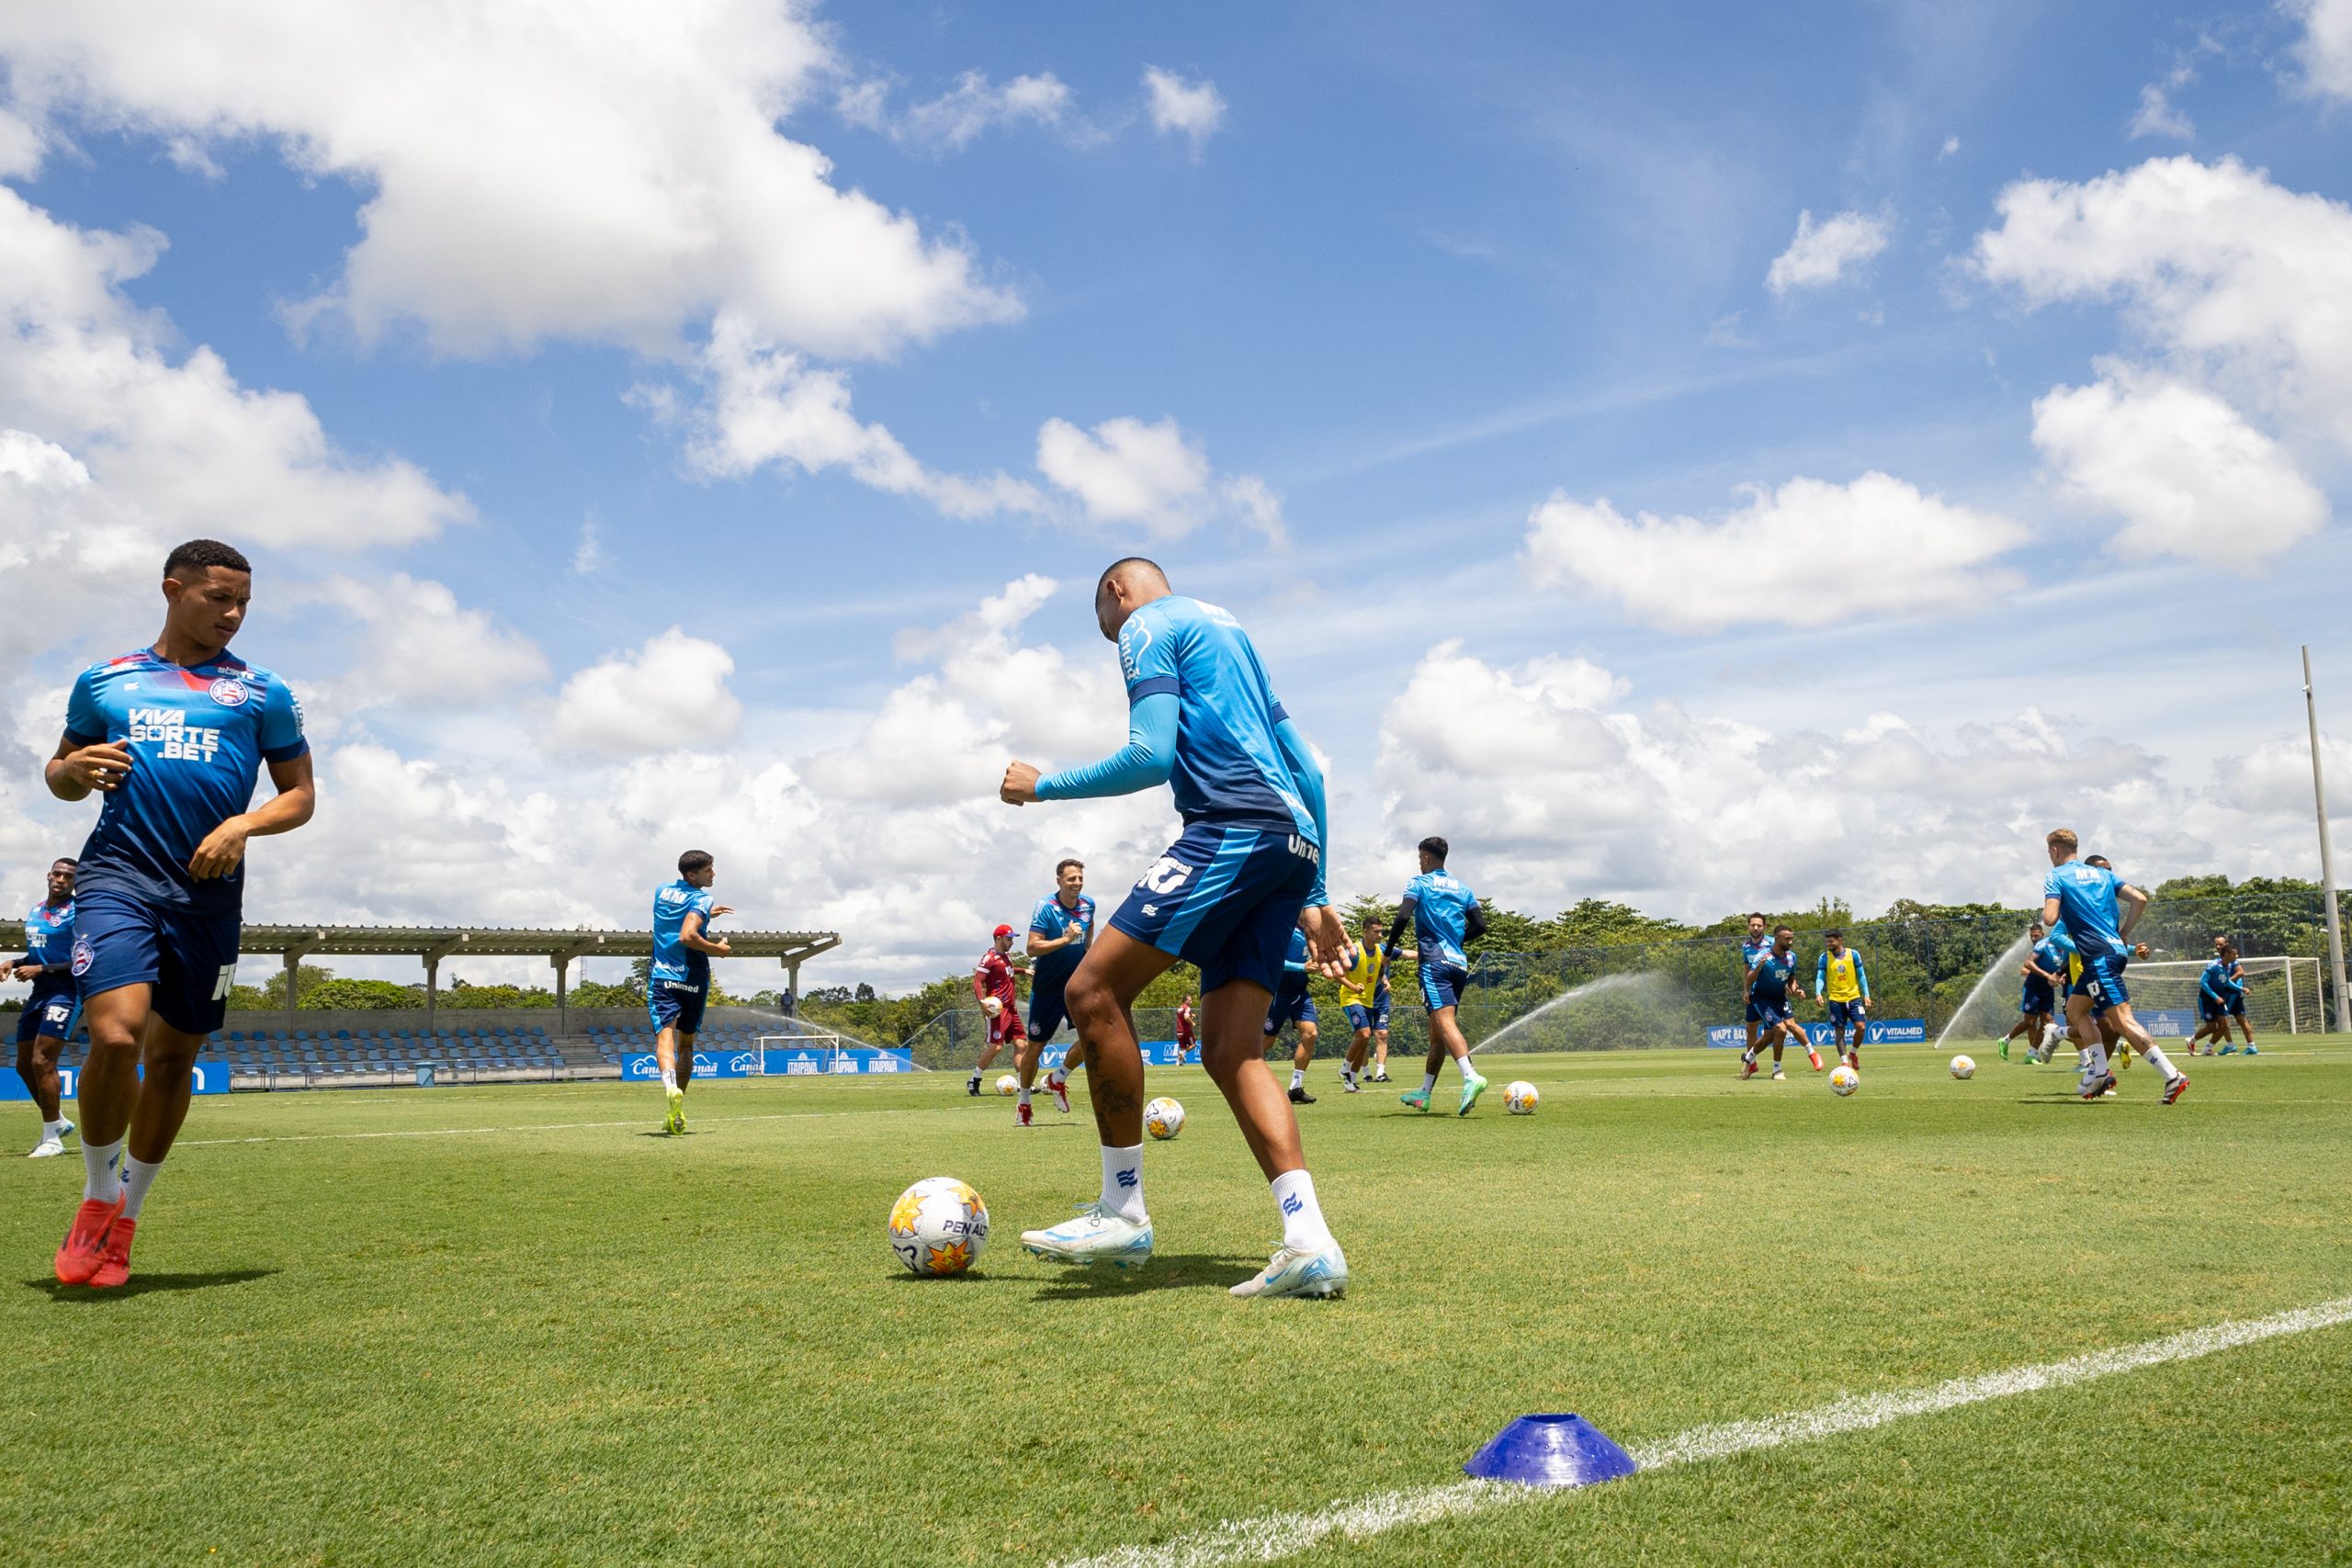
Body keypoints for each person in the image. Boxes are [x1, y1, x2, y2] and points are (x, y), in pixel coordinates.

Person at [998, 558, 1351, 1299]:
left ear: (1116, 594)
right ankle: (1309, 1240)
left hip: (1232, 825)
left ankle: (1121, 1209)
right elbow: (1309, 771)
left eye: (1105, 624)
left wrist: (1043, 787)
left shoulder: (1147, 623)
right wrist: (1315, 891)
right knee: (1232, 1050)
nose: (1113, 638)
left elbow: (1150, 754)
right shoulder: (1232, 630)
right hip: (1290, 843)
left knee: (1092, 987)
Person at [49, 539, 315, 1289]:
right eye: (217, 599)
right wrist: (72, 769)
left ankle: (129, 1216)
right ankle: (98, 1195)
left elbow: (300, 796)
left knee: (172, 1060)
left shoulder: (262, 693)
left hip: (208, 897)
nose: (233, 615)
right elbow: (61, 775)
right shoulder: (106, 681)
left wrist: (242, 826)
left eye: (243, 604)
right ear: (173, 589)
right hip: (117, 876)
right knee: (116, 1031)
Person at [2041, 831, 2187, 1104]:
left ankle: (2172, 1076)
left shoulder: (2057, 876)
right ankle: (2099, 1072)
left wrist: (2054, 904)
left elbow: (2050, 919)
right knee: (2074, 1010)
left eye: (2049, 853)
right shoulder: (2104, 875)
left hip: (2098, 957)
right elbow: (2139, 899)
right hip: (2112, 953)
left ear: (2054, 851)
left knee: (2122, 1021)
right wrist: (2124, 933)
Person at [1387, 837, 1488, 1116]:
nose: (1419, 863)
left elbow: (1403, 916)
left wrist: (1387, 950)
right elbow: (1481, 925)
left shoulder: (1418, 883)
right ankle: (1425, 1093)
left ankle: (1471, 1077)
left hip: (1434, 963)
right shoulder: (1463, 888)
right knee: (1437, 1035)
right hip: (1458, 965)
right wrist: (1458, 940)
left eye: (1420, 858)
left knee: (1444, 1024)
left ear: (1427, 858)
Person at [649, 851, 730, 1135]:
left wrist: (710, 912)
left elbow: (675, 918)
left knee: (664, 1038)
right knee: (686, 1046)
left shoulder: (662, 891)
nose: (713, 874)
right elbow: (687, 935)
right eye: (709, 870)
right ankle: (678, 1105)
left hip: (663, 977)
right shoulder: (701, 899)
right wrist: (718, 949)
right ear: (692, 875)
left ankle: (671, 1088)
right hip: (694, 978)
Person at [13, 858, 81, 1157]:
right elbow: (35, 954)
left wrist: (42, 969)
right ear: (48, 875)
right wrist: (14, 963)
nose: (61, 879)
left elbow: (81, 959)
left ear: (75, 882)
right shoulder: (37, 909)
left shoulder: (78, 913)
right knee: (23, 1065)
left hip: (66, 991)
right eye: (57, 873)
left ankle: (52, 1139)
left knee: (42, 1061)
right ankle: (58, 1122)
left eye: (68, 876)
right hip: (39, 993)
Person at [1026, 858, 1095, 1114]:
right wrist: (1065, 939)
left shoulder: (1089, 904)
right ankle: (1024, 1102)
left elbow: (1088, 938)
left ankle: (1059, 1078)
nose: (1076, 883)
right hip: (1046, 988)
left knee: (1092, 1038)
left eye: (1079, 878)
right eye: (1071, 879)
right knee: (1035, 1047)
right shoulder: (1045, 907)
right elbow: (1032, 947)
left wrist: (1089, 960)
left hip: (1075, 987)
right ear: (1059, 881)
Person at [967, 925, 1035, 1123]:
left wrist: (1023, 971)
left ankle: (1024, 1085)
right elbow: (977, 981)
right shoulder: (989, 957)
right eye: (1009, 939)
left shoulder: (1005, 957)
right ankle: (974, 1080)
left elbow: (1007, 971)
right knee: (995, 1047)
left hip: (1011, 1009)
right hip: (997, 1010)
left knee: (1022, 1044)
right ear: (998, 939)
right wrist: (982, 1003)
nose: (1012, 942)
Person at [1338, 914, 1398, 1091]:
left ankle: (1351, 1081)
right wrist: (1353, 986)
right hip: (1351, 998)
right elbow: (1337, 974)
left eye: (1381, 931)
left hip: (1368, 1001)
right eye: (1376, 932)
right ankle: (1344, 1068)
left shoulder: (1380, 950)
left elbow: (1382, 971)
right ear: (1365, 932)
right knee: (1364, 1034)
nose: (1380, 935)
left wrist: (1384, 979)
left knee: (1364, 1040)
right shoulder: (1354, 951)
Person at [1739, 924, 1807, 1079]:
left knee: (1770, 1035)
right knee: (1779, 1029)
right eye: (1787, 938)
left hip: (1779, 998)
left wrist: (1796, 990)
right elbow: (1749, 977)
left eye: (1792, 939)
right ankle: (1776, 1069)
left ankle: (1749, 1058)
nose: (1790, 942)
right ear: (1777, 938)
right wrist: (1757, 970)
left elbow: (1791, 978)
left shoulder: (1791, 956)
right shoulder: (1761, 954)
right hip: (1761, 997)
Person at [1263, 926, 1322, 1104]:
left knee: (1310, 1034)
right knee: (1265, 1042)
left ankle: (1296, 1087)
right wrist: (1302, 966)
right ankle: (1242, 1077)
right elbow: (1274, 961)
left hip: (1300, 994)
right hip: (1278, 996)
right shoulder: (1286, 930)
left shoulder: (1313, 932)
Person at [1999, 921, 2064, 1062]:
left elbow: (2061, 968)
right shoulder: (2044, 944)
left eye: (2036, 935)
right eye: (2032, 936)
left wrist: (2062, 977)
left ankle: (2032, 1053)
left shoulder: (2066, 948)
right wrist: (2048, 976)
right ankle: (2005, 1041)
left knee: (2047, 1022)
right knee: (2030, 1022)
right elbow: (2028, 963)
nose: (2034, 939)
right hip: (2033, 988)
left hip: (2048, 989)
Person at [1814, 930, 1870, 1071]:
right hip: (1835, 1000)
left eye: (1831, 941)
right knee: (1839, 1032)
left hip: (1854, 998)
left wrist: (1866, 994)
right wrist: (1818, 992)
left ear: (1840, 940)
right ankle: (1844, 1062)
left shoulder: (1853, 954)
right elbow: (1820, 977)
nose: (1829, 944)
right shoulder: (1824, 958)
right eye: (1827, 941)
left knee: (1861, 1027)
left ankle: (1853, 1053)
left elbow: (1861, 975)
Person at [2213, 939, 2259, 1055]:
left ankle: (2232, 1045)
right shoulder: (2218, 961)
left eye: (2221, 944)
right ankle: (2250, 1046)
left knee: (2224, 1020)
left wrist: (2227, 982)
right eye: (2216, 944)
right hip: (2228, 993)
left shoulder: (2232, 960)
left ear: (2226, 945)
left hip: (2232, 993)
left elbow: (2240, 972)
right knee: (2239, 1019)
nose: (2218, 946)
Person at [1737, 913, 1771, 1064]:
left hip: (1772, 992)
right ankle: (1751, 1064)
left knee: (1774, 1031)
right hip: (1754, 992)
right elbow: (1746, 969)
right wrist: (1746, 989)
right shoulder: (1745, 946)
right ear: (1748, 927)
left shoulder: (1773, 942)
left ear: (1764, 927)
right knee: (1750, 1027)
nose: (1756, 928)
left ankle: (1777, 1068)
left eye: (1759, 925)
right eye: (1753, 925)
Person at [1173, 993, 1196, 1065]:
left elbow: (1182, 1017)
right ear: (1186, 1000)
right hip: (1186, 1031)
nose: (1191, 1002)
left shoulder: (1179, 1008)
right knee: (1193, 1045)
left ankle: (1179, 1062)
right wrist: (1192, 1023)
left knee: (1183, 1047)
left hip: (1178, 1030)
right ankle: (1182, 1053)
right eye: (1190, 1000)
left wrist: (1191, 1015)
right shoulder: (1187, 1008)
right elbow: (1186, 1018)